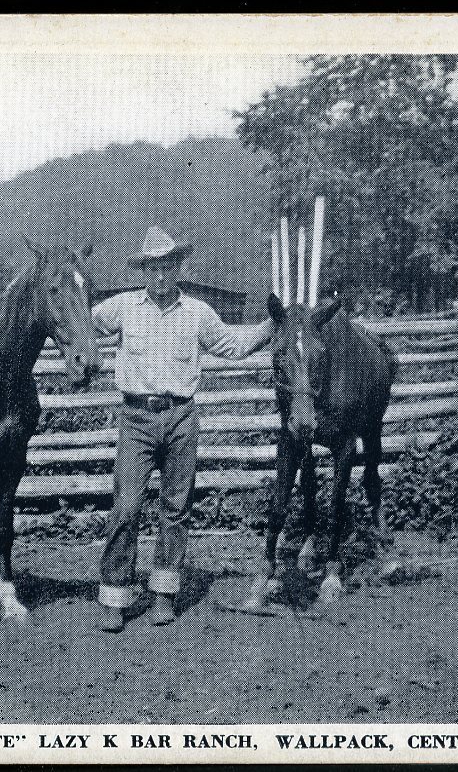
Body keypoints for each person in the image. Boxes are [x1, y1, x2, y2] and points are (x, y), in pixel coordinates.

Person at [91, 226, 276, 632]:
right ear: (144, 271)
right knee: (127, 507)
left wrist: (273, 324)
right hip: (136, 418)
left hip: (181, 418)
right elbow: (78, 325)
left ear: (178, 268)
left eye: (168, 266)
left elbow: (232, 345)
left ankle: (162, 595)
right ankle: (114, 596)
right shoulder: (119, 308)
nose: (160, 275)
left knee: (175, 509)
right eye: (153, 268)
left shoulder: (197, 313)